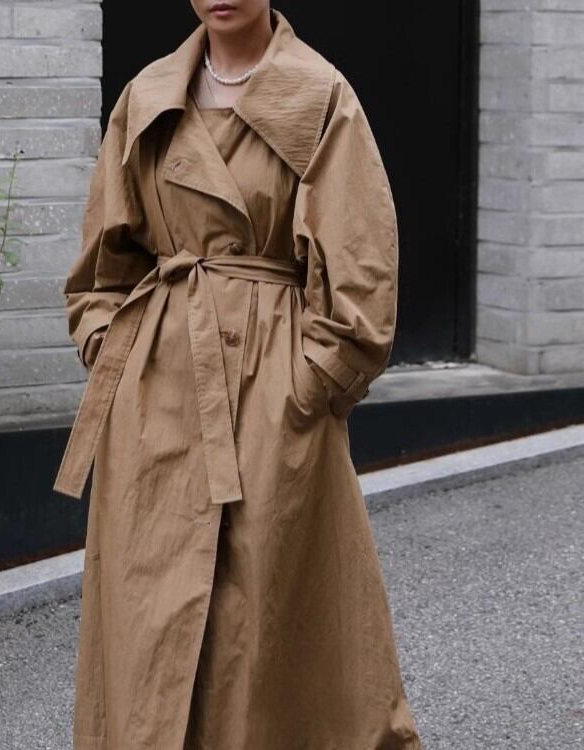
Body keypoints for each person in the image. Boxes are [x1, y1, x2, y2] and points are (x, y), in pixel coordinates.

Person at [53, 3, 423, 748]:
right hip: (157, 393)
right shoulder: (148, 95)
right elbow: (101, 268)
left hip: (269, 391)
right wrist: (111, 349)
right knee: (151, 619)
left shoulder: (318, 95)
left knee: (262, 627)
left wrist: (308, 384)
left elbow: (361, 270)